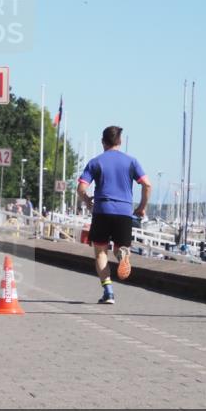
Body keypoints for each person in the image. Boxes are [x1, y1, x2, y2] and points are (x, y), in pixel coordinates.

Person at [77, 126, 151, 304]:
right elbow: (147, 185)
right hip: (124, 212)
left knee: (101, 252)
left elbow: (81, 188)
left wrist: (87, 201)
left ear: (103, 142)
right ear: (120, 141)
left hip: (102, 210)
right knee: (119, 248)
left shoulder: (96, 162)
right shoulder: (131, 161)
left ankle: (108, 291)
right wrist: (141, 207)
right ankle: (122, 255)